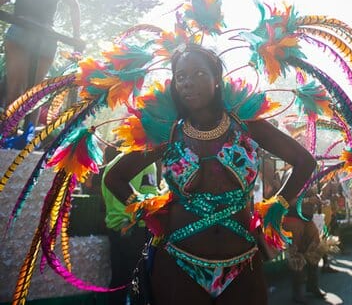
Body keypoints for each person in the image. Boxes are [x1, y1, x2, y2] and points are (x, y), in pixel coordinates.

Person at [105, 44, 316, 305]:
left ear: (217, 79)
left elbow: (304, 161)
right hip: (177, 263)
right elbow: (114, 177)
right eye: (181, 77)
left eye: (199, 74)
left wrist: (279, 204)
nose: (188, 83)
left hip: (243, 264)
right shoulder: (167, 134)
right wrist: (145, 209)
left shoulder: (247, 126)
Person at [0, 0, 80, 124]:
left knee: (15, 87)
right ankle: (25, 138)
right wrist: (76, 37)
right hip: (47, 38)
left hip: (22, 31)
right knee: (35, 91)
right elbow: (74, 6)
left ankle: (6, 134)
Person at [101, 147, 159, 305]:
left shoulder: (112, 165)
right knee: (138, 284)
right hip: (136, 230)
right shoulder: (145, 162)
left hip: (115, 230)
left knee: (119, 281)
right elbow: (151, 196)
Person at [283, 182, 326, 304]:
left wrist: (317, 200)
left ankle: (312, 286)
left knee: (315, 250)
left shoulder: (311, 176)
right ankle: (297, 292)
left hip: (307, 218)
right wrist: (308, 200)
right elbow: (287, 200)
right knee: (296, 254)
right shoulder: (293, 174)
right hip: (293, 218)